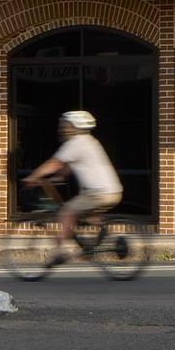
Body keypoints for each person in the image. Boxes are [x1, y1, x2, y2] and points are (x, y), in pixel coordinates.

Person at [21, 110, 121, 266]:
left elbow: (54, 163)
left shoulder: (76, 143)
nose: (63, 128)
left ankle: (59, 253)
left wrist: (33, 176)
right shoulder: (90, 141)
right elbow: (66, 168)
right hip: (112, 191)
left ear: (76, 126)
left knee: (66, 211)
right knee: (84, 215)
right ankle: (97, 240)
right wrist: (56, 178)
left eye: (66, 125)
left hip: (98, 193)